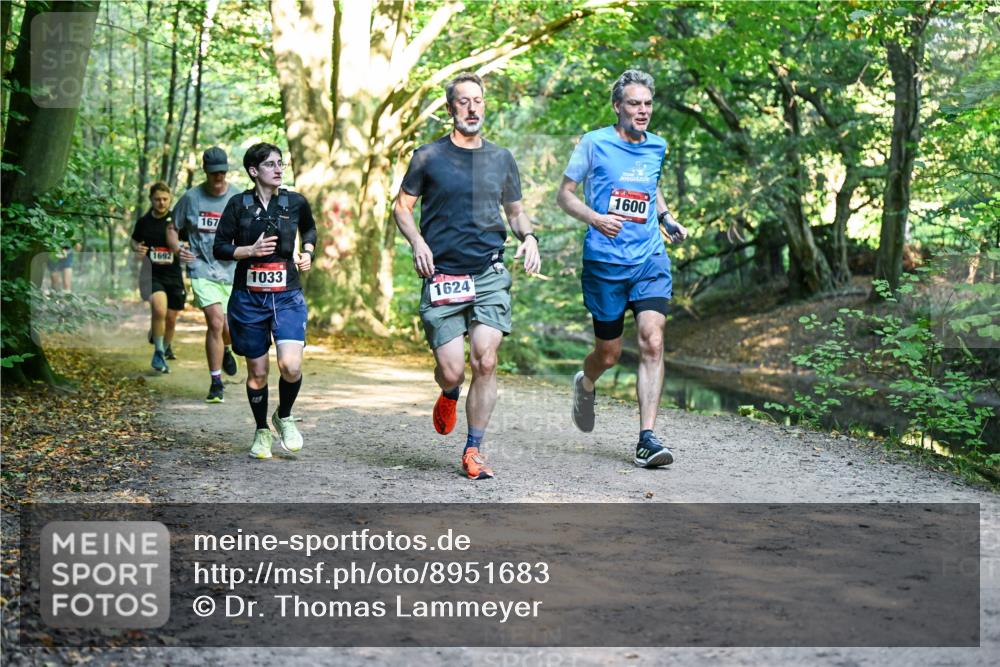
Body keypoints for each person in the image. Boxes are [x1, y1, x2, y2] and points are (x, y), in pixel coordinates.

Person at [393, 72, 541, 480]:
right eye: (463, 101)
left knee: (486, 360)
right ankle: (449, 390)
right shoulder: (428, 157)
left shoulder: (501, 158)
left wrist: (529, 237)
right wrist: (417, 243)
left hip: (488, 272)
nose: (472, 108)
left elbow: (515, 212)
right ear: (450, 108)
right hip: (441, 274)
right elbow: (402, 207)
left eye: (478, 100)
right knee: (453, 370)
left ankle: (473, 448)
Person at [556, 69, 688, 468]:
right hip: (605, 262)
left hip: (649, 258)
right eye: (634, 103)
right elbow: (564, 196)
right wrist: (595, 218)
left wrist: (665, 217)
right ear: (618, 106)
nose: (642, 110)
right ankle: (587, 382)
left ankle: (647, 438)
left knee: (652, 340)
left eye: (647, 104)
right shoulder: (593, 143)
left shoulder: (657, 145)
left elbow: (651, 185)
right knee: (609, 354)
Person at [213, 143, 316, 460]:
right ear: (254, 171)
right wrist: (249, 251)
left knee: (291, 366)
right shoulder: (238, 205)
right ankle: (261, 430)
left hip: (287, 297)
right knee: (257, 373)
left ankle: (284, 415)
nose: (278, 168)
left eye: (280, 163)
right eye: (271, 164)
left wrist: (307, 252)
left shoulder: (295, 202)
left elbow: (309, 229)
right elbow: (219, 247)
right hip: (248, 299)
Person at [168, 147, 242, 403]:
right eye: (213, 173)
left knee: (230, 328)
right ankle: (216, 382)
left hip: (231, 271)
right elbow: (172, 228)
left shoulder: (238, 197)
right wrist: (177, 248)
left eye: (222, 172)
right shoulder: (191, 198)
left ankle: (227, 349)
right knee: (215, 322)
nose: (218, 177)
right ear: (205, 172)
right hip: (201, 268)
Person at [131, 181, 186, 374]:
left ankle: (164, 345)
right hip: (151, 274)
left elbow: (188, 242)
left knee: (170, 318)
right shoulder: (144, 222)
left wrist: (183, 247)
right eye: (157, 199)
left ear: (170, 199)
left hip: (173, 275)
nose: (161, 203)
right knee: (159, 309)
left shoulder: (177, 221)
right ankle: (159, 352)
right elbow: (134, 241)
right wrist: (137, 248)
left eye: (164, 199)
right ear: (151, 200)